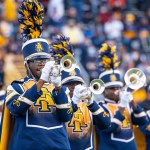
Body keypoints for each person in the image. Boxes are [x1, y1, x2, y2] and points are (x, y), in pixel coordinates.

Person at [0, 1, 73, 150]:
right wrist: (40, 82)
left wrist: (58, 87)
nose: (42, 63)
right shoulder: (16, 87)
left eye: (44, 60)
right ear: (27, 64)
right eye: (37, 60)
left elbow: (66, 116)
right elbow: (16, 108)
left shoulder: (60, 88)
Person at [50, 35, 111, 150]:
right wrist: (74, 102)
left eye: (77, 83)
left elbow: (106, 123)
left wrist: (92, 103)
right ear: (61, 84)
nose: (73, 86)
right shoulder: (55, 102)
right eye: (69, 83)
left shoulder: (87, 104)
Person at [95, 43, 148, 150]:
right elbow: (110, 128)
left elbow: (143, 121)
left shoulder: (127, 104)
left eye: (118, 87)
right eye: (112, 88)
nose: (117, 90)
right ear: (105, 91)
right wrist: (122, 106)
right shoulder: (100, 107)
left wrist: (132, 101)